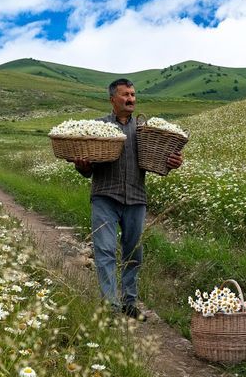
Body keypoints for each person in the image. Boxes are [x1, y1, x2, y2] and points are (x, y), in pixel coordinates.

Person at [74, 78, 183, 321]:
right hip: (105, 196)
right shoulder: (98, 128)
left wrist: (172, 163)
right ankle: (110, 307)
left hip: (136, 198)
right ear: (112, 99)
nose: (131, 99)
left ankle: (130, 303)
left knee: (134, 253)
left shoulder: (146, 131)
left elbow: (159, 160)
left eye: (133, 94)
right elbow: (87, 169)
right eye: (125, 95)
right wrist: (82, 166)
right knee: (104, 251)